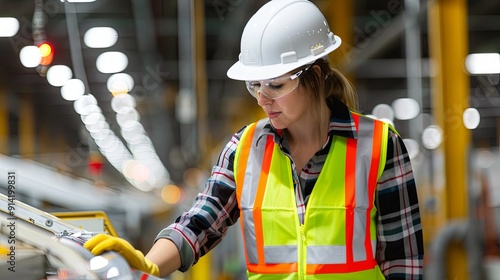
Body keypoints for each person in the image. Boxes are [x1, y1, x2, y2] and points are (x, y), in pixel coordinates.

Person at [84, 0, 424, 279]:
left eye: (275, 85)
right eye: (255, 86)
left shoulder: (378, 144)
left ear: (316, 76)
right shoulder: (244, 149)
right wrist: (149, 265)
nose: (263, 99)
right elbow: (201, 221)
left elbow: (403, 261)